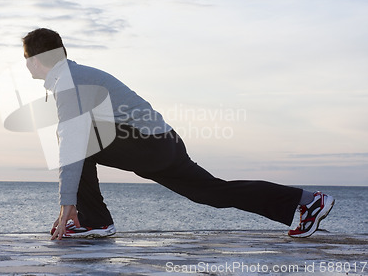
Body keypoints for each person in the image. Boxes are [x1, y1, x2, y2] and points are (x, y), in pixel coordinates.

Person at [21, 28, 335, 241]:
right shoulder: (74, 76)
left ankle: (95, 220)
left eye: (27, 59)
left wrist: (67, 205)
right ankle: (307, 201)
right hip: (160, 143)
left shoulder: (70, 81)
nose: (27, 66)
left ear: (36, 59)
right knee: (213, 192)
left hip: (150, 144)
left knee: (74, 139)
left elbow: (74, 144)